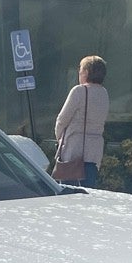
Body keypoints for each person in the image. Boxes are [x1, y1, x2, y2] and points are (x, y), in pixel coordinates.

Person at [54, 56, 109, 187]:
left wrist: (59, 138)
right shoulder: (104, 93)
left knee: (68, 193)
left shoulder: (79, 91)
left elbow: (62, 119)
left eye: (80, 70)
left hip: (74, 151)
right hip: (94, 153)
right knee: (87, 193)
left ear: (86, 72)